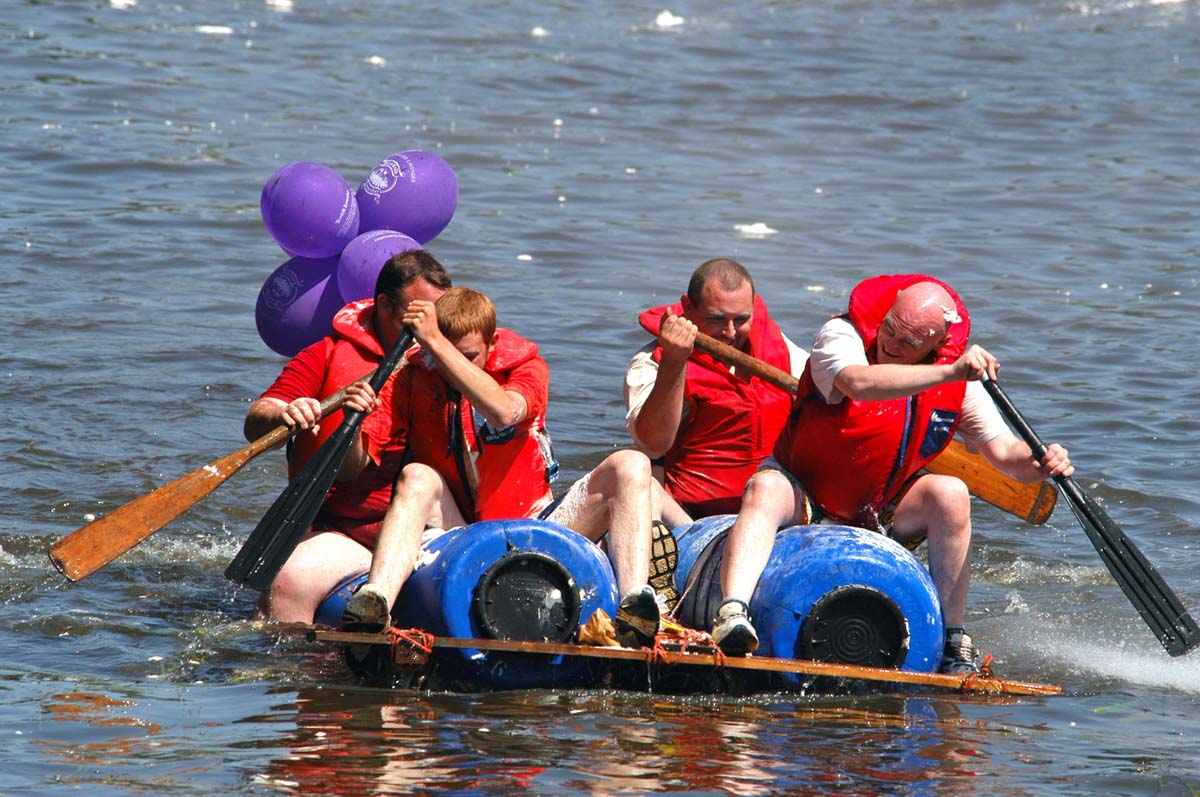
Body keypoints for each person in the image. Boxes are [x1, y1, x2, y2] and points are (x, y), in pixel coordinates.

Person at [711, 274, 1073, 672]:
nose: (891, 344)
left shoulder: (958, 383)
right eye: (890, 328)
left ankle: (953, 639)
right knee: (764, 487)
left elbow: (1003, 451)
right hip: (803, 492)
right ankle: (733, 613)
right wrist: (950, 373)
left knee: (951, 493)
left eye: (908, 343)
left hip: (879, 509)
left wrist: (1039, 462)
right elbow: (857, 383)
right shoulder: (841, 336)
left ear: (937, 345)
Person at [340, 287, 674, 648]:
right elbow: (350, 470)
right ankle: (375, 601)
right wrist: (352, 425)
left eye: (470, 356)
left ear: (493, 343)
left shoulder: (528, 367)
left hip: (536, 522)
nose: (455, 369)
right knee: (416, 475)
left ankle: (636, 604)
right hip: (461, 530)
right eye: (446, 356)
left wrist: (436, 343)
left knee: (632, 463)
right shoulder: (411, 376)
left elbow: (505, 412)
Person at [243, 250, 452, 623]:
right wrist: (285, 413)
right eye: (417, 316)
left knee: (420, 479)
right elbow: (258, 418)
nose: (428, 328)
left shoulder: (457, 353)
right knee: (285, 585)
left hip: (430, 520)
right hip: (347, 531)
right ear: (384, 306)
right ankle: (287, 660)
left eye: (436, 316)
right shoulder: (325, 353)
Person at [624, 258, 808, 521]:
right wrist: (674, 364)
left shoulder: (781, 348)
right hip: (688, 514)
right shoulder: (650, 364)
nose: (730, 333)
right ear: (688, 307)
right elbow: (653, 444)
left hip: (769, 506)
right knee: (638, 474)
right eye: (716, 319)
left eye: (741, 319)